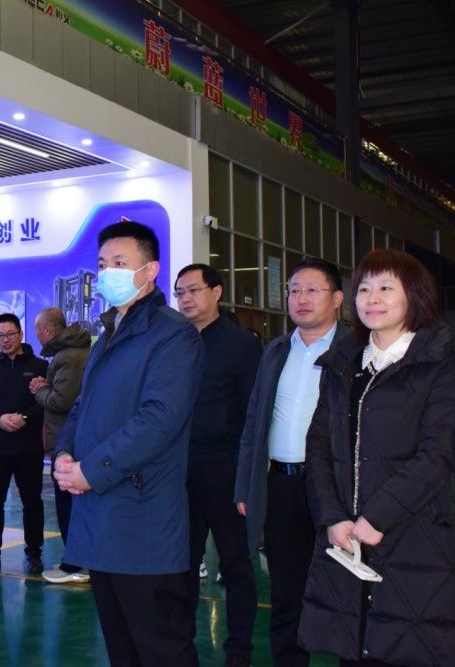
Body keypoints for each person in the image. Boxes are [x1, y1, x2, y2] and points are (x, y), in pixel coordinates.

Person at [298, 249, 455, 666]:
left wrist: (375, 519)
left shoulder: (437, 364)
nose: (372, 298)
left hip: (412, 534)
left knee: (408, 647)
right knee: (354, 648)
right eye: (364, 289)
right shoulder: (343, 364)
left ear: (414, 295)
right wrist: (332, 517)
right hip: (345, 539)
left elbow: (437, 454)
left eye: (386, 288)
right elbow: (318, 445)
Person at [54, 221, 204, 666]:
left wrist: (90, 471)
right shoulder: (109, 333)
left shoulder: (173, 334)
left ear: (150, 270)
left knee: (161, 647)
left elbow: (158, 420)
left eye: (120, 263)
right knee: (122, 648)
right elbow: (82, 406)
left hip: (143, 518)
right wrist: (64, 453)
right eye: (102, 264)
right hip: (103, 517)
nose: (107, 273)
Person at [234, 258, 346, 667]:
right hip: (280, 486)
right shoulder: (276, 351)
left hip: (334, 489)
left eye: (313, 290)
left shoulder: (354, 352)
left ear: (337, 299)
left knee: (345, 593)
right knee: (286, 595)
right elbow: (254, 422)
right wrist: (246, 485)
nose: (301, 298)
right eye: (294, 290)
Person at [174, 263, 261, 667]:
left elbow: (253, 416)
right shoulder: (175, 342)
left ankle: (239, 649)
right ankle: (180, 644)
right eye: (180, 292)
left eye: (193, 290)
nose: (186, 299)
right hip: (180, 471)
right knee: (182, 563)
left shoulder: (241, 345)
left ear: (217, 292)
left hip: (225, 470)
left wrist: (246, 479)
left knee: (236, 564)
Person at [0, 313, 49, 574]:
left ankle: (34, 553)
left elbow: (46, 402)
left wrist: (25, 418)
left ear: (21, 334)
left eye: (10, 334)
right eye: (0, 336)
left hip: (29, 447)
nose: (5, 340)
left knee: (32, 501)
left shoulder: (40, 366)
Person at [29, 307, 91, 584]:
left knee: (68, 506)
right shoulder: (75, 353)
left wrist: (39, 390)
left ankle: (75, 564)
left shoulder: (67, 357)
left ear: (46, 330)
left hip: (68, 443)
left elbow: (62, 402)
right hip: (72, 441)